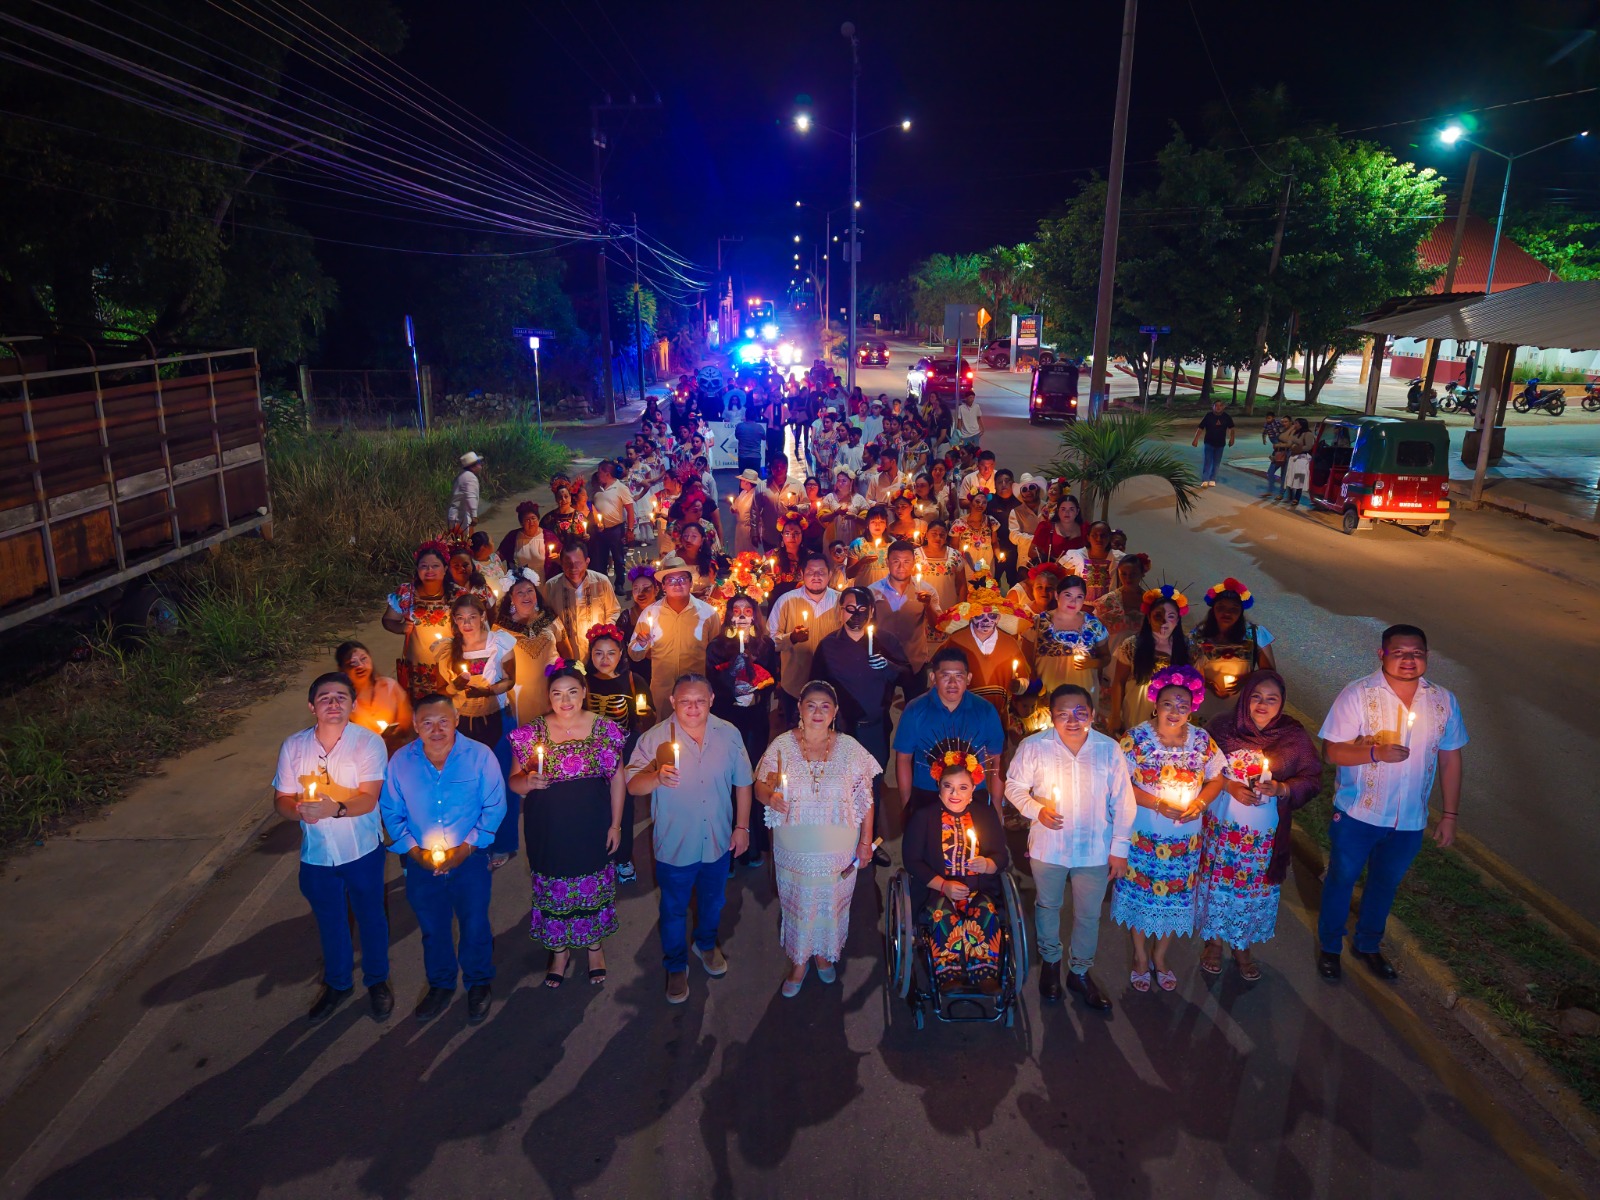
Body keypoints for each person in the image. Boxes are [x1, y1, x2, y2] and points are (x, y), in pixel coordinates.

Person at [1316, 625, 1467, 982]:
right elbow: (1331, 751)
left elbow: (1450, 759)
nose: (1409, 660)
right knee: (1342, 878)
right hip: (1359, 813)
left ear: (1427, 656)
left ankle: (1368, 944)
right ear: (1382, 655)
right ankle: (1329, 947)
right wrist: (1374, 752)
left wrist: (1448, 815)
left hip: (1410, 820)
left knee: (1385, 884)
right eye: (1399, 653)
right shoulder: (1358, 694)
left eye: (1416, 653)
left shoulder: (1443, 701)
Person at [1005, 684, 1136, 1011]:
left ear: (1092, 714)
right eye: (1063, 713)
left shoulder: (1108, 750)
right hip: (1050, 848)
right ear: (1051, 716)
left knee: (1089, 916)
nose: (1072, 719)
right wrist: (1037, 810)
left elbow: (1124, 801)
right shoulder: (1034, 747)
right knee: (1047, 906)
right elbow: (1014, 787)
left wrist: (1119, 848)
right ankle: (1050, 963)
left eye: (1080, 712)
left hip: (1093, 849)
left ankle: (1079, 970)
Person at [626, 674, 754, 1004]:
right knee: (673, 909)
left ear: (712, 699)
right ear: (672, 702)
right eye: (685, 701)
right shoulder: (655, 739)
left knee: (713, 902)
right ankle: (675, 965)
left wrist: (742, 827)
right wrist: (655, 777)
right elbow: (631, 785)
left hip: (717, 840)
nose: (693, 708)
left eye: (700, 700)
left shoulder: (729, 734)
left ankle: (706, 944)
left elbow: (743, 782)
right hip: (675, 844)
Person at [272, 672, 391, 1023]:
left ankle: (378, 981)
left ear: (352, 705)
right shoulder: (294, 746)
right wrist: (297, 811)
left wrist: (335, 808)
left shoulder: (368, 743)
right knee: (330, 922)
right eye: (325, 697)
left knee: (371, 918)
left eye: (341, 696)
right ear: (312, 707)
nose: (334, 703)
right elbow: (281, 799)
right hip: (317, 857)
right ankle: (338, 984)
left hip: (362, 852)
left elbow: (369, 799)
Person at [380, 693, 506, 1024]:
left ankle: (479, 982)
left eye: (443, 721)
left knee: (475, 924)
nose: (436, 730)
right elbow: (391, 812)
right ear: (415, 726)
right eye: (427, 723)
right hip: (421, 866)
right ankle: (440, 984)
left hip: (470, 861)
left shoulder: (480, 757)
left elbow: (495, 807)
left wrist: (467, 848)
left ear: (456, 721)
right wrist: (412, 851)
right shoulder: (400, 763)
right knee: (433, 928)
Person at [754, 681, 881, 996]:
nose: (818, 712)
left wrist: (866, 843)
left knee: (830, 906)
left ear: (835, 712)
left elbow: (867, 799)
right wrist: (771, 798)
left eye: (826, 706)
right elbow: (760, 785)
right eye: (811, 704)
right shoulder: (782, 746)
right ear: (799, 708)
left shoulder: (850, 749)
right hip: (795, 846)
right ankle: (799, 962)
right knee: (797, 905)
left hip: (837, 847)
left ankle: (824, 956)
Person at [508, 661, 627, 987]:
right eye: (557, 694)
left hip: (592, 826)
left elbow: (618, 779)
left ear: (584, 693)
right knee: (553, 887)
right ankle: (559, 951)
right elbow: (514, 782)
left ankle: (594, 948)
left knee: (593, 887)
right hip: (548, 829)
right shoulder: (531, 733)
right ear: (549, 697)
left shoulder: (605, 729)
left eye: (573, 692)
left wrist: (615, 825)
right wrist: (528, 782)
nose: (565, 700)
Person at [1198, 669, 1322, 979]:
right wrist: (1229, 785)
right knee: (1219, 882)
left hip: (1262, 836)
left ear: (1282, 703)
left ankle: (1242, 944)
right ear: (1245, 698)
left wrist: (1281, 788)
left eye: (1272, 699)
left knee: (1250, 888)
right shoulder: (1222, 728)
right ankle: (1213, 941)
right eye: (1256, 697)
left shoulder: (1292, 736)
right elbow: (1197, 767)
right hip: (1221, 827)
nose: (1263, 705)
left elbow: (1311, 778)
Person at [1110, 665, 1226, 993]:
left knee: (1174, 898)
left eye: (1183, 706)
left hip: (1185, 841)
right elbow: (1119, 785)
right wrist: (1158, 804)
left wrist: (1200, 804)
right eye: (1168, 704)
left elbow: (1217, 776)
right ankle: (1139, 957)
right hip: (1143, 836)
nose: (1175, 712)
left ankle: (1160, 957)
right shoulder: (1136, 739)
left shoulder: (1202, 740)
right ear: (1155, 703)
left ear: (1193, 708)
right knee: (1142, 897)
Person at [902, 762, 1010, 994]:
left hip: (979, 890)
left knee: (985, 910)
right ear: (938, 788)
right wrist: (943, 885)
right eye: (948, 786)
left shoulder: (985, 814)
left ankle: (984, 973)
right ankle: (947, 974)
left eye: (963, 787)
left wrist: (989, 864)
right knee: (943, 913)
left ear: (973, 789)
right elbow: (912, 861)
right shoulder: (924, 817)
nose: (954, 793)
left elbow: (1002, 855)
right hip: (937, 892)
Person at [705, 594, 780, 868]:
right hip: (726, 717)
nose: (741, 614)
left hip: (756, 719)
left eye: (747, 610)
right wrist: (731, 686)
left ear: (755, 615)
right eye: (735, 610)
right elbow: (711, 681)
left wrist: (757, 694)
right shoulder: (716, 646)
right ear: (728, 614)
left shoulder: (767, 645)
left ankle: (753, 842)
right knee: (726, 779)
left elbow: (772, 679)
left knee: (752, 775)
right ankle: (727, 846)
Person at [894, 645, 1007, 816]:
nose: (953, 683)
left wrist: (997, 805)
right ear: (933, 677)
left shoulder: (985, 710)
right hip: (928, 794)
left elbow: (996, 759)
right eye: (945, 676)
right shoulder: (915, 710)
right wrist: (906, 804)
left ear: (968, 678)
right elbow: (903, 759)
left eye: (959, 676)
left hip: (973, 794)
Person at [581, 624, 650, 884]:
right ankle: (597, 855)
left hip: (625, 747)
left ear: (621, 654)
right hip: (591, 750)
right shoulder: (583, 683)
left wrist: (643, 712)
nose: (605, 659)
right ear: (590, 654)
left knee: (624, 805)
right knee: (593, 803)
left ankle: (623, 857)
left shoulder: (635, 680)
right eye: (598, 653)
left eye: (611, 653)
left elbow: (646, 713)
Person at [629, 556, 722, 716]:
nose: (677, 584)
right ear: (663, 586)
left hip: (695, 693)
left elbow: (718, 655)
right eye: (671, 580)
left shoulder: (707, 614)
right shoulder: (651, 613)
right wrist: (641, 644)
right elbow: (634, 655)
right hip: (663, 692)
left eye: (682, 579)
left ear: (691, 583)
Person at [768, 550, 840, 724]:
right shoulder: (786, 601)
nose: (816, 576)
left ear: (830, 574)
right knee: (794, 735)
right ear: (802, 574)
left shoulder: (841, 601)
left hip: (832, 683)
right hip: (794, 684)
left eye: (821, 572)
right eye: (810, 572)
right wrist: (791, 638)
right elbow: (770, 641)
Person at [1190, 577, 1278, 719]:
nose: (1227, 613)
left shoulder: (1255, 634)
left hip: (1240, 707)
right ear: (1213, 610)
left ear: (1241, 611)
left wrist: (1246, 679)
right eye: (1221, 608)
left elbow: (1270, 674)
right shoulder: (1198, 635)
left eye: (1234, 609)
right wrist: (1207, 683)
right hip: (1203, 706)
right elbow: (1188, 671)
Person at [1109, 588, 1192, 737]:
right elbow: (1118, 682)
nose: (1164, 622)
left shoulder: (1189, 648)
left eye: (1170, 616)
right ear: (1148, 618)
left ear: (1178, 620)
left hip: (1172, 712)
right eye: (1158, 616)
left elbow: (1196, 686)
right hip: (1137, 707)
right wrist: (1115, 715)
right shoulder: (1132, 645)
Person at [383, 540, 459, 700]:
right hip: (416, 672)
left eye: (435, 566)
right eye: (424, 566)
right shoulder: (406, 592)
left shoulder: (459, 595)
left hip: (450, 669)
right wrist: (400, 628)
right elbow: (388, 620)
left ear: (445, 569)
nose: (429, 570)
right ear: (417, 570)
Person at [443, 594, 517, 747]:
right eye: (461, 618)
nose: (467, 623)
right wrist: (455, 686)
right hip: (463, 718)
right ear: (455, 620)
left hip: (497, 715)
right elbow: (441, 691)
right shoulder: (447, 649)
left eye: (472, 617)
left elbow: (510, 680)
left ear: (482, 616)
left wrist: (487, 691)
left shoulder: (499, 642)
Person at [868, 540, 941, 695]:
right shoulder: (873, 592)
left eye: (906, 561)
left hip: (915, 662)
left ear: (914, 563)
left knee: (916, 710)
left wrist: (928, 606)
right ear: (887, 562)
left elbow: (937, 626)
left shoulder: (926, 591)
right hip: (884, 661)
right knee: (880, 709)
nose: (901, 567)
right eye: (896, 561)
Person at [495, 569, 561, 727]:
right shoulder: (500, 628)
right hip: (518, 695)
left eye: (530, 591)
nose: (526, 596)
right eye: (520, 592)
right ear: (511, 598)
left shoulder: (549, 618)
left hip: (551, 689)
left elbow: (565, 651)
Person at [1032, 575, 1110, 709]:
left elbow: (1106, 657)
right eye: (1068, 595)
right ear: (1057, 595)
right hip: (1046, 692)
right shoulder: (1040, 622)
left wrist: (1093, 663)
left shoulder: (1093, 624)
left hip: (1082, 690)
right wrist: (1034, 688)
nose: (1073, 602)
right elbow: (1026, 658)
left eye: (1079, 597)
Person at [543, 541, 621, 663]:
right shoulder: (551, 587)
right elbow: (546, 618)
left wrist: (604, 632)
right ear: (561, 564)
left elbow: (614, 611)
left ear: (587, 562)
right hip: (566, 654)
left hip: (597, 654)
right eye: (568, 564)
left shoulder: (601, 582)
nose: (573, 568)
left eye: (578, 563)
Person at [335, 640, 412, 748]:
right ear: (342, 669)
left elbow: (407, 724)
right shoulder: (341, 702)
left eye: (363, 659)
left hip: (395, 754)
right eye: (352, 663)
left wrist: (397, 733)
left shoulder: (390, 687)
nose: (360, 666)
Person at [587, 459, 636, 593]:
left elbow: (630, 510)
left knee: (618, 558)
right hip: (599, 530)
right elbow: (589, 505)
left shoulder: (621, 488)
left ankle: (619, 583)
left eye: (600, 473)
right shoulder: (596, 488)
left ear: (607, 474)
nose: (598, 475)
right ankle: (603, 584)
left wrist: (630, 530)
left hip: (615, 529)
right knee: (600, 558)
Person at [1057, 520, 1123, 607]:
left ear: (1109, 537)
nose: (1099, 539)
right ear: (1088, 537)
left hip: (1107, 609)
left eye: (1103, 535)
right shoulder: (1076, 556)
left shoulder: (1119, 558)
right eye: (1094, 535)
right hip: (1080, 608)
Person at [915, 520, 966, 613]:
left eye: (942, 535)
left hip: (949, 605)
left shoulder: (954, 555)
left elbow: (962, 584)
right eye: (934, 534)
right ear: (926, 535)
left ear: (946, 537)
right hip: (922, 606)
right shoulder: (915, 555)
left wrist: (962, 607)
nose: (938, 538)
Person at [986, 471, 1022, 588]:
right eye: (1000, 482)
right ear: (995, 485)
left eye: (1007, 481)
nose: (1003, 484)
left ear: (1013, 484)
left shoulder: (1020, 503)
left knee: (1015, 583)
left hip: (1015, 550)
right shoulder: (989, 503)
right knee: (991, 583)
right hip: (994, 549)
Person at [1031, 494, 1088, 562]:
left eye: (1071, 509)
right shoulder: (1046, 527)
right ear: (1058, 511)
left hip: (1077, 570)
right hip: (1052, 569)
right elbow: (1032, 551)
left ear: (1077, 511)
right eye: (1063, 509)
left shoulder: (1085, 529)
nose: (1067, 512)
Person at [1192, 398, 1235, 487]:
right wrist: (1195, 439)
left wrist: (1232, 438)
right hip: (1209, 442)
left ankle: (1212, 479)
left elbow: (1232, 428)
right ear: (1213, 407)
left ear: (1223, 407)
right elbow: (1200, 428)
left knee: (1216, 462)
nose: (1218, 407)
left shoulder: (1226, 417)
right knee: (1207, 461)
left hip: (1220, 444)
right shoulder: (1208, 416)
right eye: (1216, 406)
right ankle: (1205, 479)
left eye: (1220, 405)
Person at [496, 501, 546, 576]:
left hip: (543, 582)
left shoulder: (548, 536)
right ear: (521, 523)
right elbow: (498, 557)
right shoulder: (513, 536)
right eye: (527, 520)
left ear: (538, 519)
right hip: (520, 582)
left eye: (533, 518)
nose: (531, 522)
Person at [470, 531, 512, 603]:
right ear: (484, 547)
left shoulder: (495, 557)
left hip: (505, 602)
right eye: (492, 541)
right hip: (488, 604)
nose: (493, 543)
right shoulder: (473, 565)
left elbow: (505, 576)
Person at [447, 451, 484, 530]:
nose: (480, 465)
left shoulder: (462, 475)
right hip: (461, 517)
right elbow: (470, 496)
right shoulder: (470, 478)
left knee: (455, 540)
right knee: (462, 541)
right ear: (472, 467)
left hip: (455, 515)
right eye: (478, 463)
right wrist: (474, 515)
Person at [728, 469, 761, 555]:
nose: (740, 482)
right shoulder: (743, 493)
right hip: (740, 528)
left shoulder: (755, 496)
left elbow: (759, 516)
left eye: (742, 480)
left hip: (749, 529)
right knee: (740, 550)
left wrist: (756, 533)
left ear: (747, 482)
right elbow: (735, 504)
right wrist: (733, 508)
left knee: (749, 553)